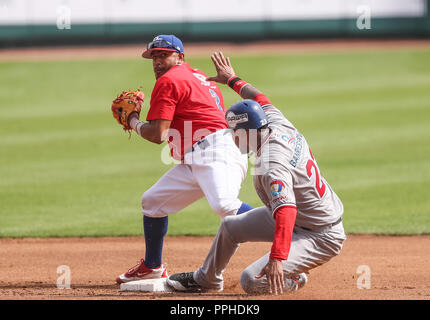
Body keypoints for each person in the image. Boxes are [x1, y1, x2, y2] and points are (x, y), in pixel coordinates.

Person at [166, 52, 346, 295]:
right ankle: (206, 279)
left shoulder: (272, 163)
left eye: (233, 131)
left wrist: (278, 259)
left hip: (321, 234)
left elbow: (286, 211)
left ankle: (295, 277)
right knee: (230, 227)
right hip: (304, 218)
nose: (231, 136)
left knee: (251, 280)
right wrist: (232, 79)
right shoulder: (274, 123)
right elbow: (259, 98)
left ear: (247, 131)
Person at [116, 37, 253, 284]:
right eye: (154, 57)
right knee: (153, 202)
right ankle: (152, 266)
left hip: (215, 152)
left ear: (179, 56)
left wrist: (133, 121)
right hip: (201, 154)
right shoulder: (195, 73)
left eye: (163, 56)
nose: (157, 62)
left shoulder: (169, 80)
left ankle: (291, 231)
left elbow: (158, 134)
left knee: (224, 206)